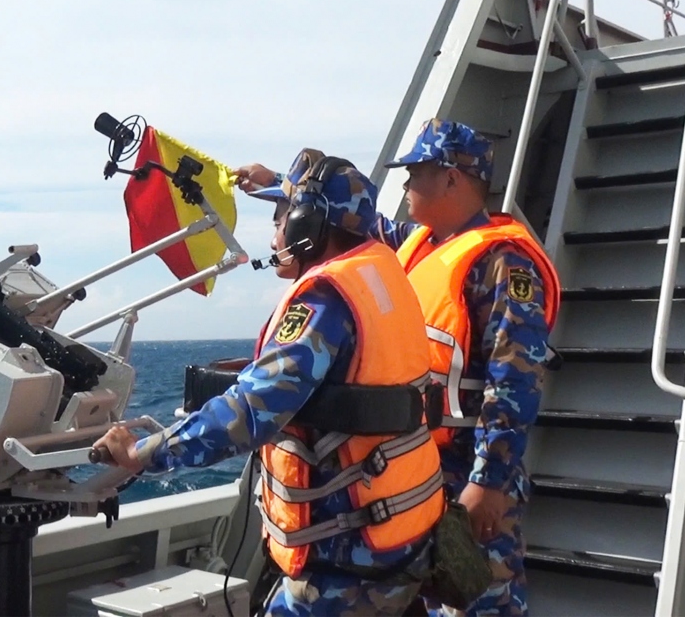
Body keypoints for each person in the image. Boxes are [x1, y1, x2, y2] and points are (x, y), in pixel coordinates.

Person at [95, 150, 446, 616]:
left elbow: (252, 410)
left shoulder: (324, 298)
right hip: (400, 535)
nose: (275, 231)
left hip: (346, 558)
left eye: (281, 217)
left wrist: (143, 452)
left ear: (306, 227)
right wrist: (274, 183)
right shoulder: (380, 269)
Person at [234, 120, 560, 617]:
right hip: (415, 469)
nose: (406, 184)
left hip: (466, 468)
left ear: (452, 179)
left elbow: (514, 380)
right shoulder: (419, 242)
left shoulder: (503, 262)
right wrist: (278, 181)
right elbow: (356, 219)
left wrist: (489, 480)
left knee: (477, 602)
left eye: (416, 173)